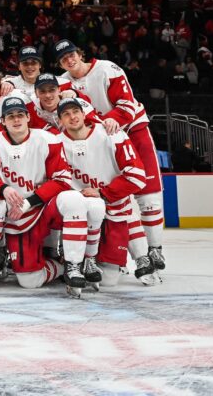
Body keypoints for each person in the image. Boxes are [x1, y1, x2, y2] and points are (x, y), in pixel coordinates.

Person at [55, 39, 167, 272]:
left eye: (71, 54)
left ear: (80, 52)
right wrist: (100, 127)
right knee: (116, 197)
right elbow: (76, 112)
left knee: (149, 196)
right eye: (63, 58)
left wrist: (113, 120)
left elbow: (126, 104)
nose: (69, 60)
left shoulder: (108, 69)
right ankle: (133, 255)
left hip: (132, 130)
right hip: (104, 140)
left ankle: (155, 248)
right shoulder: (63, 83)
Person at [0, 97, 90, 291]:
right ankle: (61, 266)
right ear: (3, 121)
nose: (16, 119)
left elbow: (62, 179)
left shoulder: (47, 140)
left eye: (20, 115)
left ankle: (74, 265)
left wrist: (29, 202)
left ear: (28, 117)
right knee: (29, 281)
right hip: (16, 217)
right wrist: (3, 189)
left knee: (73, 199)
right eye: (10, 116)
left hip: (43, 207)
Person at [57, 98, 157, 286]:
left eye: (75, 112)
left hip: (113, 209)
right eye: (66, 114)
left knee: (109, 280)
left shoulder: (112, 134)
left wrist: (103, 193)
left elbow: (137, 176)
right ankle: (79, 261)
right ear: (60, 120)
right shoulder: (56, 143)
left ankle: (141, 256)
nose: (72, 117)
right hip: (82, 213)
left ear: (84, 113)